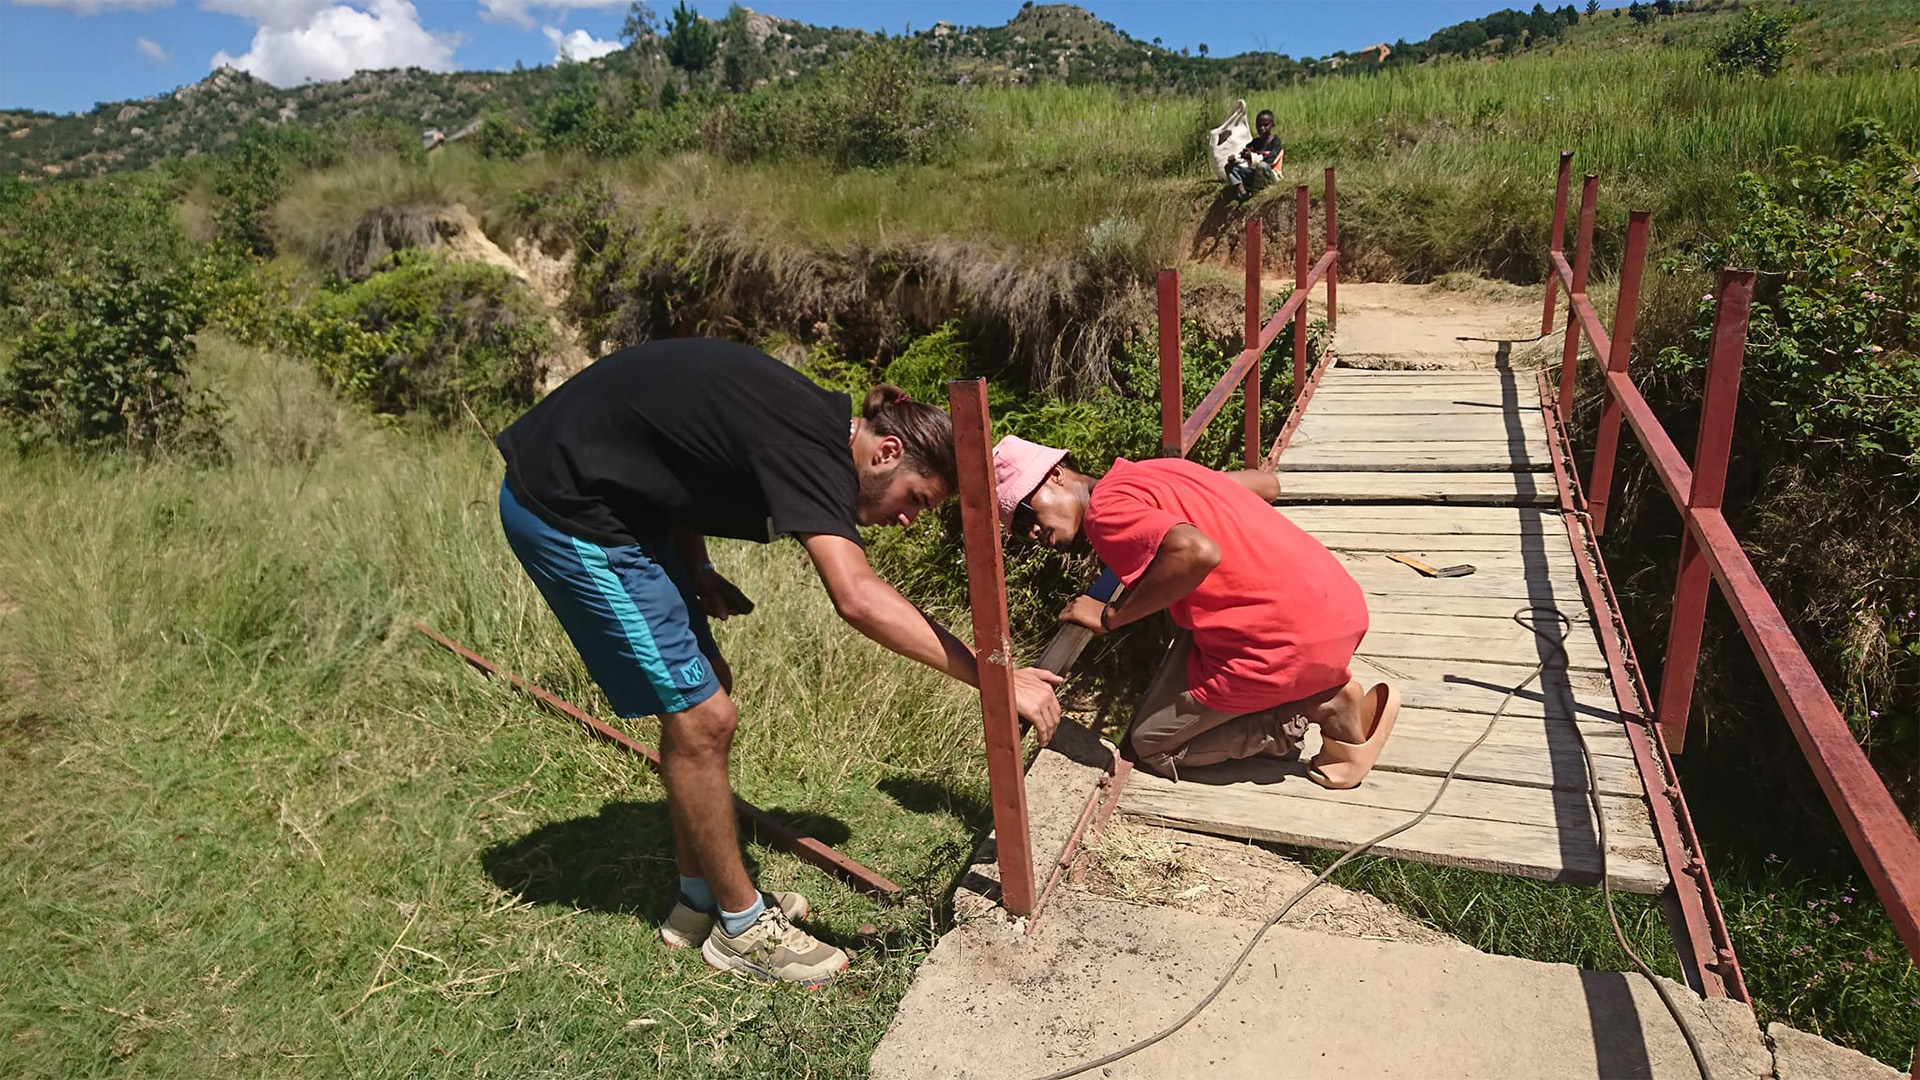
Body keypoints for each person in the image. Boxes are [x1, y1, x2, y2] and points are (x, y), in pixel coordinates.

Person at [493, 339, 1064, 986]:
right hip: (569, 510)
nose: (907, 519)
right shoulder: (812, 452)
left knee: (710, 696)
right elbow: (857, 596)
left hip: (621, 504)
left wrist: (699, 565)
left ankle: (698, 901)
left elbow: (676, 455)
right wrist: (995, 679)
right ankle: (742, 932)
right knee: (704, 717)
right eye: (917, 499)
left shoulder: (813, 431)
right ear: (887, 451)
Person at [990, 436, 1397, 787]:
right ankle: (1318, 687)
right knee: (1190, 632)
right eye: (1018, 531)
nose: (1032, 532)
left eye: (1026, 513)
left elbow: (1196, 551)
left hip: (1285, 641)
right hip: (1337, 603)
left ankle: (1315, 705)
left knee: (1150, 744)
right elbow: (1267, 485)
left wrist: (1109, 616)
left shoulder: (1103, 514)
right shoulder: (1151, 471)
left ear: (1056, 472)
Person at [1225, 109, 1284, 200]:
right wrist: (1236, 159)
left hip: (1271, 175)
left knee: (1262, 166)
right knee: (1230, 167)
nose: (1262, 128)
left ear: (1272, 125)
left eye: (1266, 125)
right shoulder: (1254, 143)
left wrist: (1252, 157)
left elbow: (1271, 161)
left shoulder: (1275, 142)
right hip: (1255, 175)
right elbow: (1243, 156)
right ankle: (1243, 193)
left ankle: (1256, 191)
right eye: (1259, 125)